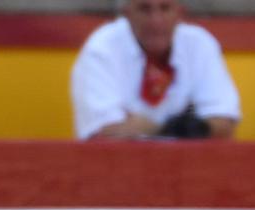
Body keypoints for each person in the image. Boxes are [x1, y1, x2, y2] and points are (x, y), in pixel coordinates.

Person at [71, 0, 240, 141]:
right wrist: (177, 129)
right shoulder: (101, 50)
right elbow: (103, 134)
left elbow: (225, 124)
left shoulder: (200, 44)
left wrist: (149, 128)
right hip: (118, 165)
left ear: (180, 13)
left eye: (165, 8)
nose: (156, 21)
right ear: (126, 14)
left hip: (189, 164)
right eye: (145, 9)